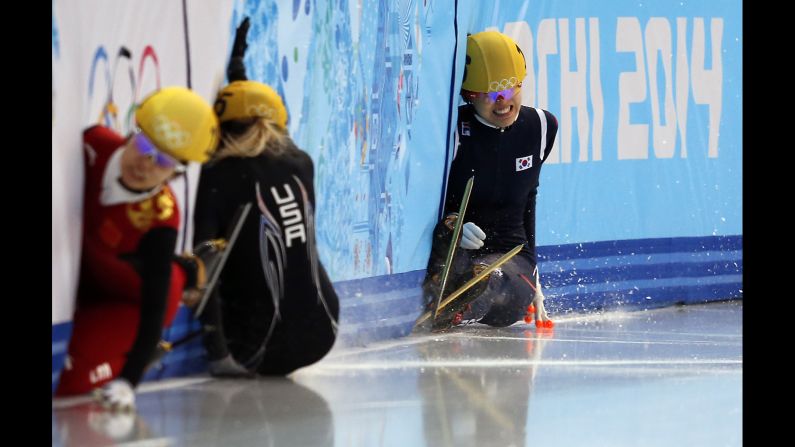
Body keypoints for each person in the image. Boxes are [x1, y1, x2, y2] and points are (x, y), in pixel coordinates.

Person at [55, 86, 220, 410]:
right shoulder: (93, 144)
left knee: (69, 383)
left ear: (177, 173)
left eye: (163, 161)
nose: (145, 164)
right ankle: (188, 270)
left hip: (128, 298)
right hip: (91, 268)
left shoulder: (161, 219)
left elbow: (154, 306)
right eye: (144, 144)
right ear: (132, 132)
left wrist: (128, 382)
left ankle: (182, 275)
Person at [192, 17, 339, 377]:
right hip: (325, 330)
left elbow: (205, 272)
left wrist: (218, 354)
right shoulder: (300, 163)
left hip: (258, 350)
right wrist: (238, 72)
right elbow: (253, 115)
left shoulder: (217, 177)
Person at [422, 30, 558, 330]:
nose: (502, 103)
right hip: (456, 248)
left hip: (511, 255)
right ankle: (461, 294)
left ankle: (468, 303)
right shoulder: (453, 132)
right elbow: (423, 204)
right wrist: (453, 223)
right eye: (489, 95)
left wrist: (536, 275)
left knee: (499, 287)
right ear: (470, 97)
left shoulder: (541, 126)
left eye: (510, 90)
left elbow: (528, 198)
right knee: (456, 246)